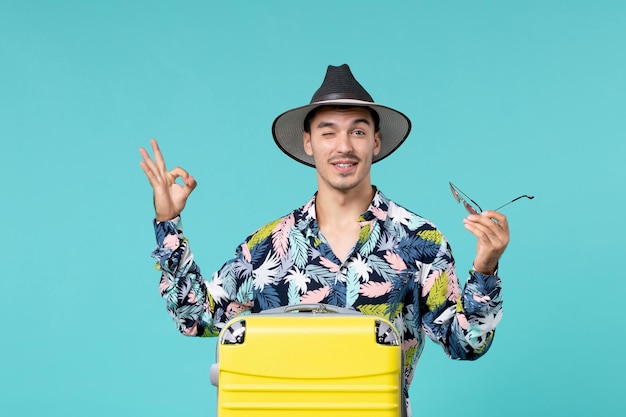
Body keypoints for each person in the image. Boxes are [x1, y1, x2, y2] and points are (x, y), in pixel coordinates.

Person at [139, 64, 508, 416]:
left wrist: (485, 269)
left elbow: (466, 343)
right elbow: (194, 317)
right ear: (309, 142)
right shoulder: (268, 246)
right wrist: (168, 221)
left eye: (358, 131)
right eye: (328, 132)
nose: (343, 146)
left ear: (375, 142)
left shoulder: (420, 242)